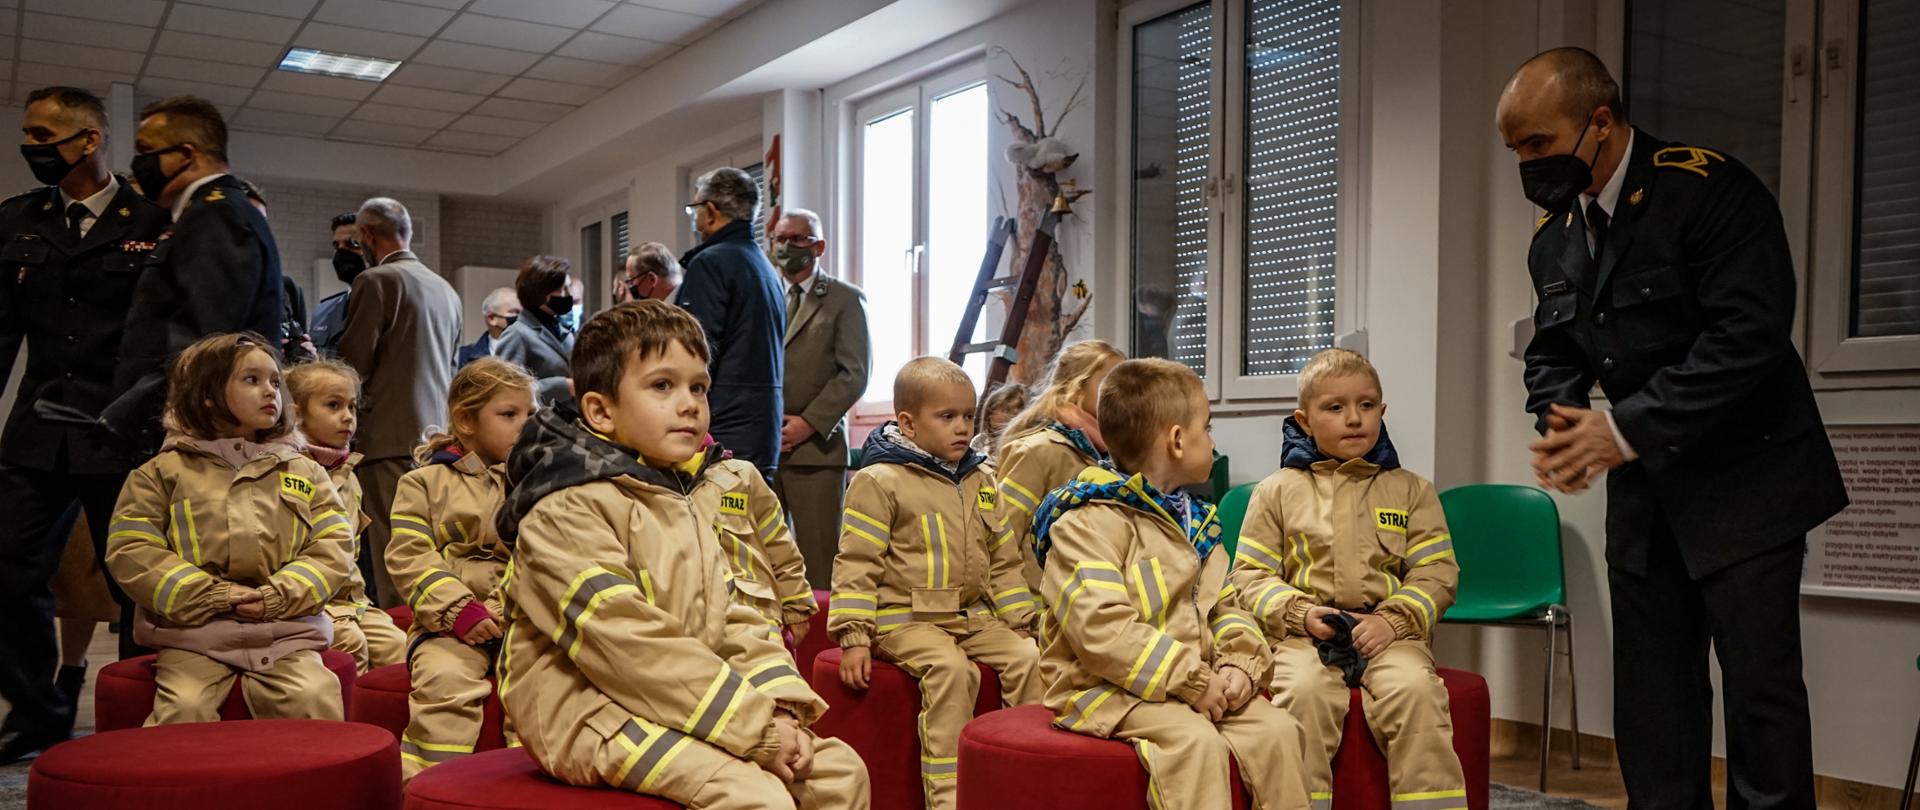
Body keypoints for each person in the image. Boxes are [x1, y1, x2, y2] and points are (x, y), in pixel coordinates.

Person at [1498, 48, 1845, 807]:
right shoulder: (1555, 238)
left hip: (1748, 481)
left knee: (1761, 701)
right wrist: (1561, 415)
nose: (1526, 164)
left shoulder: (1710, 192)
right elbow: (1551, 348)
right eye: (1516, 149)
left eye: (1537, 145)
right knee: (1654, 706)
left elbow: (1747, 337)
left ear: (1600, 121)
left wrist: (1620, 430)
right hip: (1648, 497)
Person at [494, 300, 870, 808]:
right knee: (756, 798)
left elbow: (733, 619)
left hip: (677, 701)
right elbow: (628, 644)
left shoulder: (680, 496)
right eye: (662, 386)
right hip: (587, 712)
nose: (690, 404)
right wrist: (753, 727)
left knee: (839, 774)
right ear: (601, 411)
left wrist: (779, 710)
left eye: (699, 387)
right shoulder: (564, 509)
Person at [1029, 358, 1309, 810]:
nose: (1213, 441)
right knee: (1195, 745)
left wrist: (1239, 665)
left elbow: (1227, 607)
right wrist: (1192, 679)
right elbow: (1102, 630)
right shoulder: (1086, 522)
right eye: (1208, 427)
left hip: (1192, 681)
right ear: (1178, 441)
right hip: (1103, 688)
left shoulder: (1196, 523)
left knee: (1278, 732)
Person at [0, 85, 171, 764]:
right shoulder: (16, 221)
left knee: (135, 581)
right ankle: (39, 712)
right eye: (29, 135)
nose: (32, 146)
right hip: (37, 429)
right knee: (9, 570)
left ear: (89, 139)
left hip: (119, 430)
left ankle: (131, 713)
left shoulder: (155, 221)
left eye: (44, 135)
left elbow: (163, 338)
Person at [1229, 348, 1464, 810]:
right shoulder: (1275, 492)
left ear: (1383, 411)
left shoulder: (1412, 490)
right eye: (1335, 408)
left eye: (1367, 405)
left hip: (1390, 636)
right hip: (1304, 637)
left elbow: (1437, 572)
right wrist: (1299, 613)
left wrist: (1393, 622)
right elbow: (1250, 576)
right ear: (1304, 420)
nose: (1354, 419)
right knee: (1302, 696)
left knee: (1418, 695)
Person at [104, 332, 353, 725]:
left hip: (285, 633)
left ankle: (309, 787)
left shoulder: (304, 471)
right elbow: (132, 550)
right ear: (206, 394)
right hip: (194, 638)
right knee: (184, 709)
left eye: (275, 382)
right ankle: (185, 788)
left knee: (314, 698)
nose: (270, 391)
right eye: (251, 380)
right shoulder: (160, 473)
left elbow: (334, 545)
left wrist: (277, 595)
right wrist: (215, 596)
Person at [829, 356, 1040, 810]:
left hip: (971, 617)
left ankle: (1017, 779)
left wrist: (1020, 619)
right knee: (952, 671)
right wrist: (854, 635)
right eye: (946, 417)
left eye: (968, 416)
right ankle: (950, 798)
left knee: (1028, 658)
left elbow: (1003, 559)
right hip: (904, 620)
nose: (962, 428)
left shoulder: (981, 479)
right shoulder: (879, 480)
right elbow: (857, 562)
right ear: (907, 423)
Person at [105, 95, 285, 457]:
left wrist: (135, 412)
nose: (139, 163)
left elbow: (204, 341)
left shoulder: (215, 215)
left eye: (146, 150)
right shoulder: (207, 212)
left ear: (185, 154)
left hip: (200, 430)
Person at [382, 357, 533, 780]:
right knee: (444, 686)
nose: (524, 426)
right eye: (508, 415)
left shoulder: (539, 482)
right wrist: (459, 611)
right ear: (466, 421)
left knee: (539, 694)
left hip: (523, 624)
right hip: (446, 625)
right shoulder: (423, 484)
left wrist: (509, 608)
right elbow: (409, 556)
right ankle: (427, 788)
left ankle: (527, 794)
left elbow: (543, 554)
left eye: (531, 415)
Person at [337, 196, 463, 608]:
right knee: (429, 548)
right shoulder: (446, 290)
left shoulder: (375, 282)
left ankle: (401, 649)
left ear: (367, 236)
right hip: (437, 439)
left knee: (394, 553)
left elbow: (352, 368)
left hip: (385, 439)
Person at [770, 209, 870, 590]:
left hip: (816, 447)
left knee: (819, 562)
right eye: (780, 239)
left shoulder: (844, 300)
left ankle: (821, 647)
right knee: (765, 558)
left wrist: (807, 423)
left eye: (797, 239)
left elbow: (854, 373)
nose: (786, 247)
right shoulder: (767, 297)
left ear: (819, 246)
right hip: (768, 446)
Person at [286, 360, 404, 674]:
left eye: (352, 406)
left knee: (399, 648)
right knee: (350, 645)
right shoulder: (286, 472)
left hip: (353, 601)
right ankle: (349, 722)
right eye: (333, 405)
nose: (348, 417)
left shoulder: (347, 471)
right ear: (296, 414)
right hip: (312, 603)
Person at [993, 340, 1125, 591]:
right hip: (1037, 606)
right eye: (1109, 384)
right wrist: (1018, 611)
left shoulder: (1109, 456)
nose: (1121, 395)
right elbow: (1002, 539)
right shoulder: (1037, 451)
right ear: (1076, 387)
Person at [680, 167, 786, 476]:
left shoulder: (712, 263)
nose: (695, 219)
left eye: (695, 209)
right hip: (762, 428)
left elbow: (694, 352)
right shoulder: (765, 268)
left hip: (723, 427)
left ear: (710, 211)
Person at [696, 441, 819, 640]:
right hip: (689, 626)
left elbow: (779, 544)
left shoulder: (742, 476)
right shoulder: (641, 483)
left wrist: (796, 604)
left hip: (756, 616)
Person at [493, 255, 576, 404]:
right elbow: (507, 389)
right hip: (540, 423)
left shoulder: (563, 330)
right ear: (540, 292)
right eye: (562, 289)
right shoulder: (517, 334)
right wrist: (562, 387)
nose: (569, 294)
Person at [309, 212, 362, 356]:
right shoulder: (323, 312)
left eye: (352, 243)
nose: (341, 251)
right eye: (336, 245)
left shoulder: (392, 309)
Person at [455, 287, 520, 367]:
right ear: (491, 318)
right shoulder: (462, 358)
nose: (521, 317)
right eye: (515, 312)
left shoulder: (534, 353)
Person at [970, 383, 1028, 459]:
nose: (993, 414)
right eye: (991, 410)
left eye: (1007, 411)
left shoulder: (1022, 446)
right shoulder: (980, 441)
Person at [616, 241, 683, 304]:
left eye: (632, 280)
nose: (630, 287)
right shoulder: (684, 298)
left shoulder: (680, 312)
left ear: (652, 279)